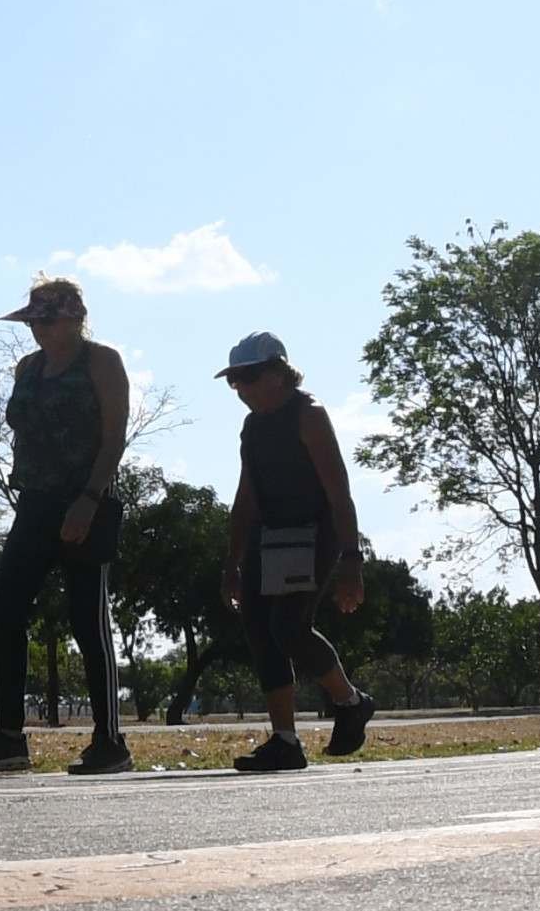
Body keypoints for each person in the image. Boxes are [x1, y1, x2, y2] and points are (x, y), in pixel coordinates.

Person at [0, 276, 134, 776]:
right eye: (33, 321)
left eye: (47, 320)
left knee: (87, 620)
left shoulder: (102, 361)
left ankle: (110, 741)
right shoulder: (27, 368)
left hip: (85, 502)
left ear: (74, 319)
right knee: (7, 610)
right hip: (34, 503)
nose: (38, 330)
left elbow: (113, 437)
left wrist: (90, 499)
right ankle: (9, 737)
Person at [217, 330, 374, 773]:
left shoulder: (308, 415)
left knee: (289, 626)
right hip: (269, 536)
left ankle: (350, 701)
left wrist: (350, 560)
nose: (241, 390)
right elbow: (246, 495)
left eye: (247, 379)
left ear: (277, 374)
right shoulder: (253, 426)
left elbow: (339, 492)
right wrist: (232, 560)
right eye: (234, 382)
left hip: (314, 534)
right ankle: (285, 740)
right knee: (260, 632)